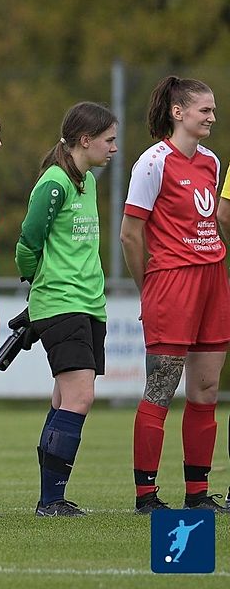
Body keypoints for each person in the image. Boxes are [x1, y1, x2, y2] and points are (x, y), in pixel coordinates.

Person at [122, 76, 230, 514]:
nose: (212, 117)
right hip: (172, 281)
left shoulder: (210, 161)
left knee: (205, 388)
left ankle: (198, 495)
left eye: (213, 110)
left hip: (212, 279)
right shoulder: (153, 163)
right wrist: (149, 288)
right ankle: (146, 496)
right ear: (178, 112)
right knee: (161, 388)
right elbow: (131, 234)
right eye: (204, 110)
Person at [16, 101, 117, 517]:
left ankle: (50, 497)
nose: (114, 148)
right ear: (85, 140)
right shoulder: (54, 182)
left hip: (91, 303)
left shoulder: (88, 182)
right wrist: (39, 283)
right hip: (62, 302)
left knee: (63, 398)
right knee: (80, 396)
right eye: (109, 141)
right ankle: (51, 500)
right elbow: (27, 243)